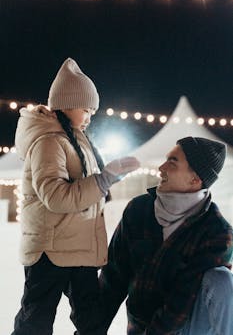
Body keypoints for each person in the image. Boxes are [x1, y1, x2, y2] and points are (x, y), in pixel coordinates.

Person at [11, 57, 140, 335]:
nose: (90, 116)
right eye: (86, 109)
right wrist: (104, 180)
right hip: (51, 250)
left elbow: (87, 194)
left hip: (78, 248)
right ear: (66, 104)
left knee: (91, 321)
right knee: (36, 320)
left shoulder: (76, 139)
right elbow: (56, 197)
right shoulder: (49, 142)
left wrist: (105, 182)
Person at [99, 136, 233, 335]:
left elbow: (182, 301)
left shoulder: (216, 232)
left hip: (186, 327)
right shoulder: (139, 210)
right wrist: (90, 329)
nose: (161, 168)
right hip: (141, 326)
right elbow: (114, 277)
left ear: (195, 179)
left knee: (221, 280)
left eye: (172, 162)